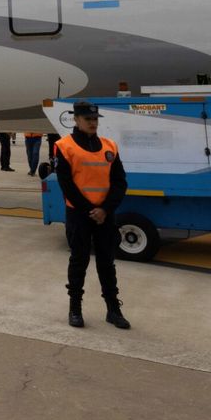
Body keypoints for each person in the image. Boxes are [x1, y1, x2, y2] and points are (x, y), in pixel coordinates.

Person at [56, 101, 130, 330]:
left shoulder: (110, 147)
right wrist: (92, 210)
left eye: (95, 119)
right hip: (79, 215)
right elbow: (66, 185)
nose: (92, 123)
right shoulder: (64, 146)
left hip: (104, 216)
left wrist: (105, 209)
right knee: (79, 261)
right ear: (76, 120)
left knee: (107, 263)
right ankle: (75, 309)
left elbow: (120, 183)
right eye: (88, 119)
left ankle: (113, 309)